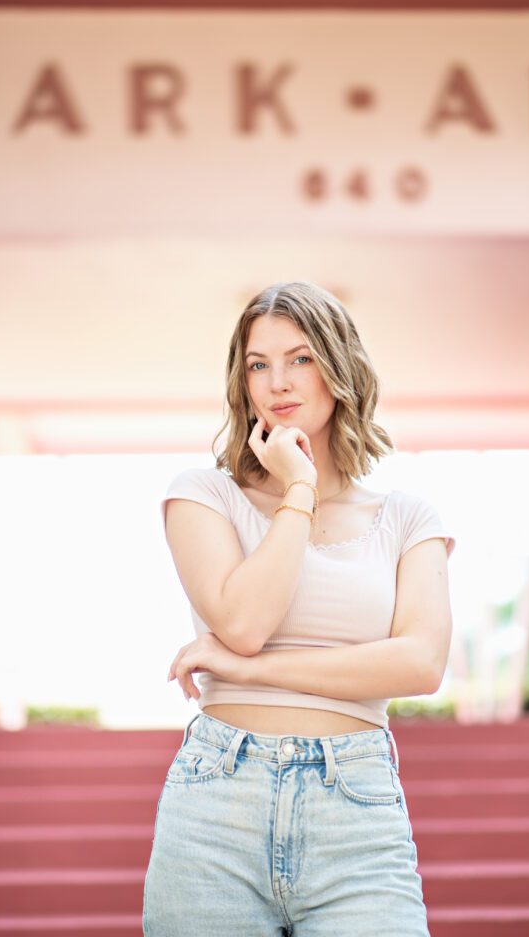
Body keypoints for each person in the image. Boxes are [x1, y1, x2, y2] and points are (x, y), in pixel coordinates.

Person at [142, 279, 455, 936]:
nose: (276, 382)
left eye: (299, 358)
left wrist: (251, 674)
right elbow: (244, 625)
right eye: (258, 365)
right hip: (216, 801)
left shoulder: (406, 518)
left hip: (355, 802)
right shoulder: (202, 496)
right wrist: (300, 490)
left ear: (339, 368)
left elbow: (421, 664)